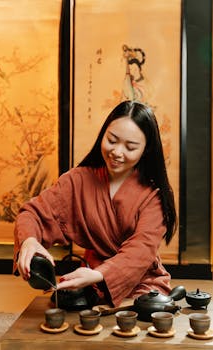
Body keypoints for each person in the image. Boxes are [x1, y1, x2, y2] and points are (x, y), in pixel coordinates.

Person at [14, 100, 177, 307]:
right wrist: (29, 240)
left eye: (130, 147)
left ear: (145, 150)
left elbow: (141, 250)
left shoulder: (154, 194)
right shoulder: (78, 180)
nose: (117, 152)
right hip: (88, 279)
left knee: (139, 323)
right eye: (112, 140)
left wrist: (101, 275)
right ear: (103, 135)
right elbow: (33, 213)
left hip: (142, 282)